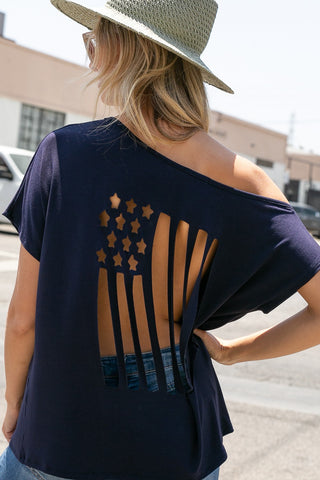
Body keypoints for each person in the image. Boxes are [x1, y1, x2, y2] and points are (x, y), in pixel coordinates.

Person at [1, 0, 320, 479]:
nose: (91, 53)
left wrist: (13, 404)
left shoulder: (65, 154)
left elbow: (23, 322)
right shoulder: (246, 183)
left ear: (128, 49)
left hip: (57, 440)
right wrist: (236, 351)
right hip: (174, 451)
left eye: (96, 38)